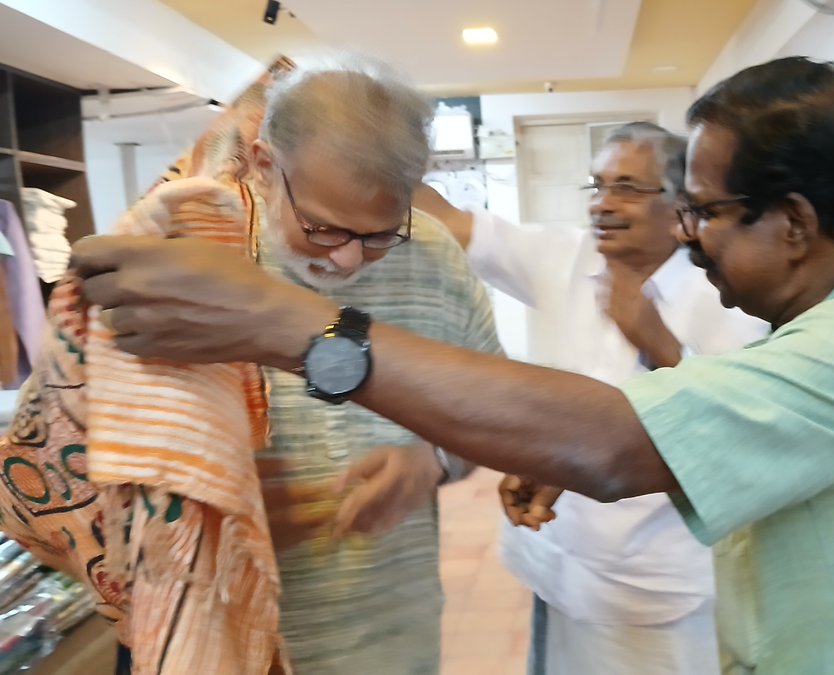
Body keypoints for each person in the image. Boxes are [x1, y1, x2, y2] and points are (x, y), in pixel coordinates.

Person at [73, 57, 834, 674]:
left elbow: (609, 439)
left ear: (797, 222)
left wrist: (302, 330)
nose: (690, 235)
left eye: (705, 212)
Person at [5, 59, 504, 674]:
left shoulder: (437, 259)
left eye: (379, 234)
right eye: (324, 229)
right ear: (267, 166)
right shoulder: (190, 257)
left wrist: (430, 459)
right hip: (231, 639)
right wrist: (204, 523)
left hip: (393, 631)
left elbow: (487, 412)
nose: (349, 258)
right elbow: (86, 459)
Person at [415, 122, 767, 675]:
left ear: (681, 205)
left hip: (656, 593)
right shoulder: (566, 257)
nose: (602, 204)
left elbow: (738, 439)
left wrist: (661, 345)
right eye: (596, 185)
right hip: (555, 564)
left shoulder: (727, 298)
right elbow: (448, 219)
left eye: (627, 187)